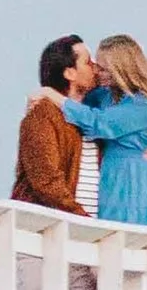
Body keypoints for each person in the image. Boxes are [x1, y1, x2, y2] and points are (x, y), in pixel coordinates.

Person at [47, 34, 147, 228]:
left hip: (136, 179)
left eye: (103, 69)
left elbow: (101, 123)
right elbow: (83, 99)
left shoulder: (144, 104)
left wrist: (50, 95)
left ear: (120, 71)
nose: (98, 72)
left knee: (128, 234)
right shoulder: (107, 96)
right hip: (113, 175)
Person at [14, 33, 95, 213]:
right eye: (88, 63)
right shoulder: (43, 114)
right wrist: (81, 217)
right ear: (69, 73)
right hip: (53, 230)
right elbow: (46, 180)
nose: (95, 68)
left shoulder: (95, 117)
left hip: (91, 232)